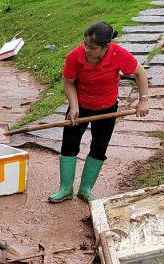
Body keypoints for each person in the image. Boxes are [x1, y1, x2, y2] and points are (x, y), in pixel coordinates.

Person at [50, 22, 150, 203]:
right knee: (69, 144)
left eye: (93, 47)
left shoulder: (118, 54)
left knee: (99, 146)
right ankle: (65, 189)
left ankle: (85, 189)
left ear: (106, 46)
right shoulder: (75, 57)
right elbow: (69, 83)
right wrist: (74, 107)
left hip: (107, 107)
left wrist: (143, 100)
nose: (87, 50)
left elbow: (140, 73)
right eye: (85, 44)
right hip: (80, 106)